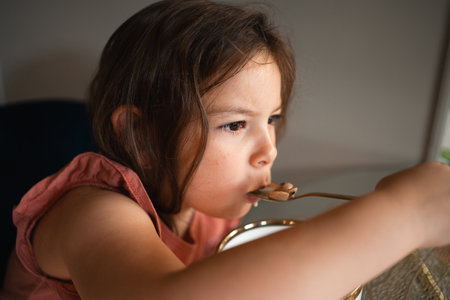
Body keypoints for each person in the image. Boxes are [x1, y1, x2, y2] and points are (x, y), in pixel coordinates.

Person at [2, 0, 449, 299]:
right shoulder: (92, 213)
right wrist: (406, 213)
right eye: (235, 124)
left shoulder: (210, 209)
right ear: (143, 137)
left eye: (271, 120)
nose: (268, 151)